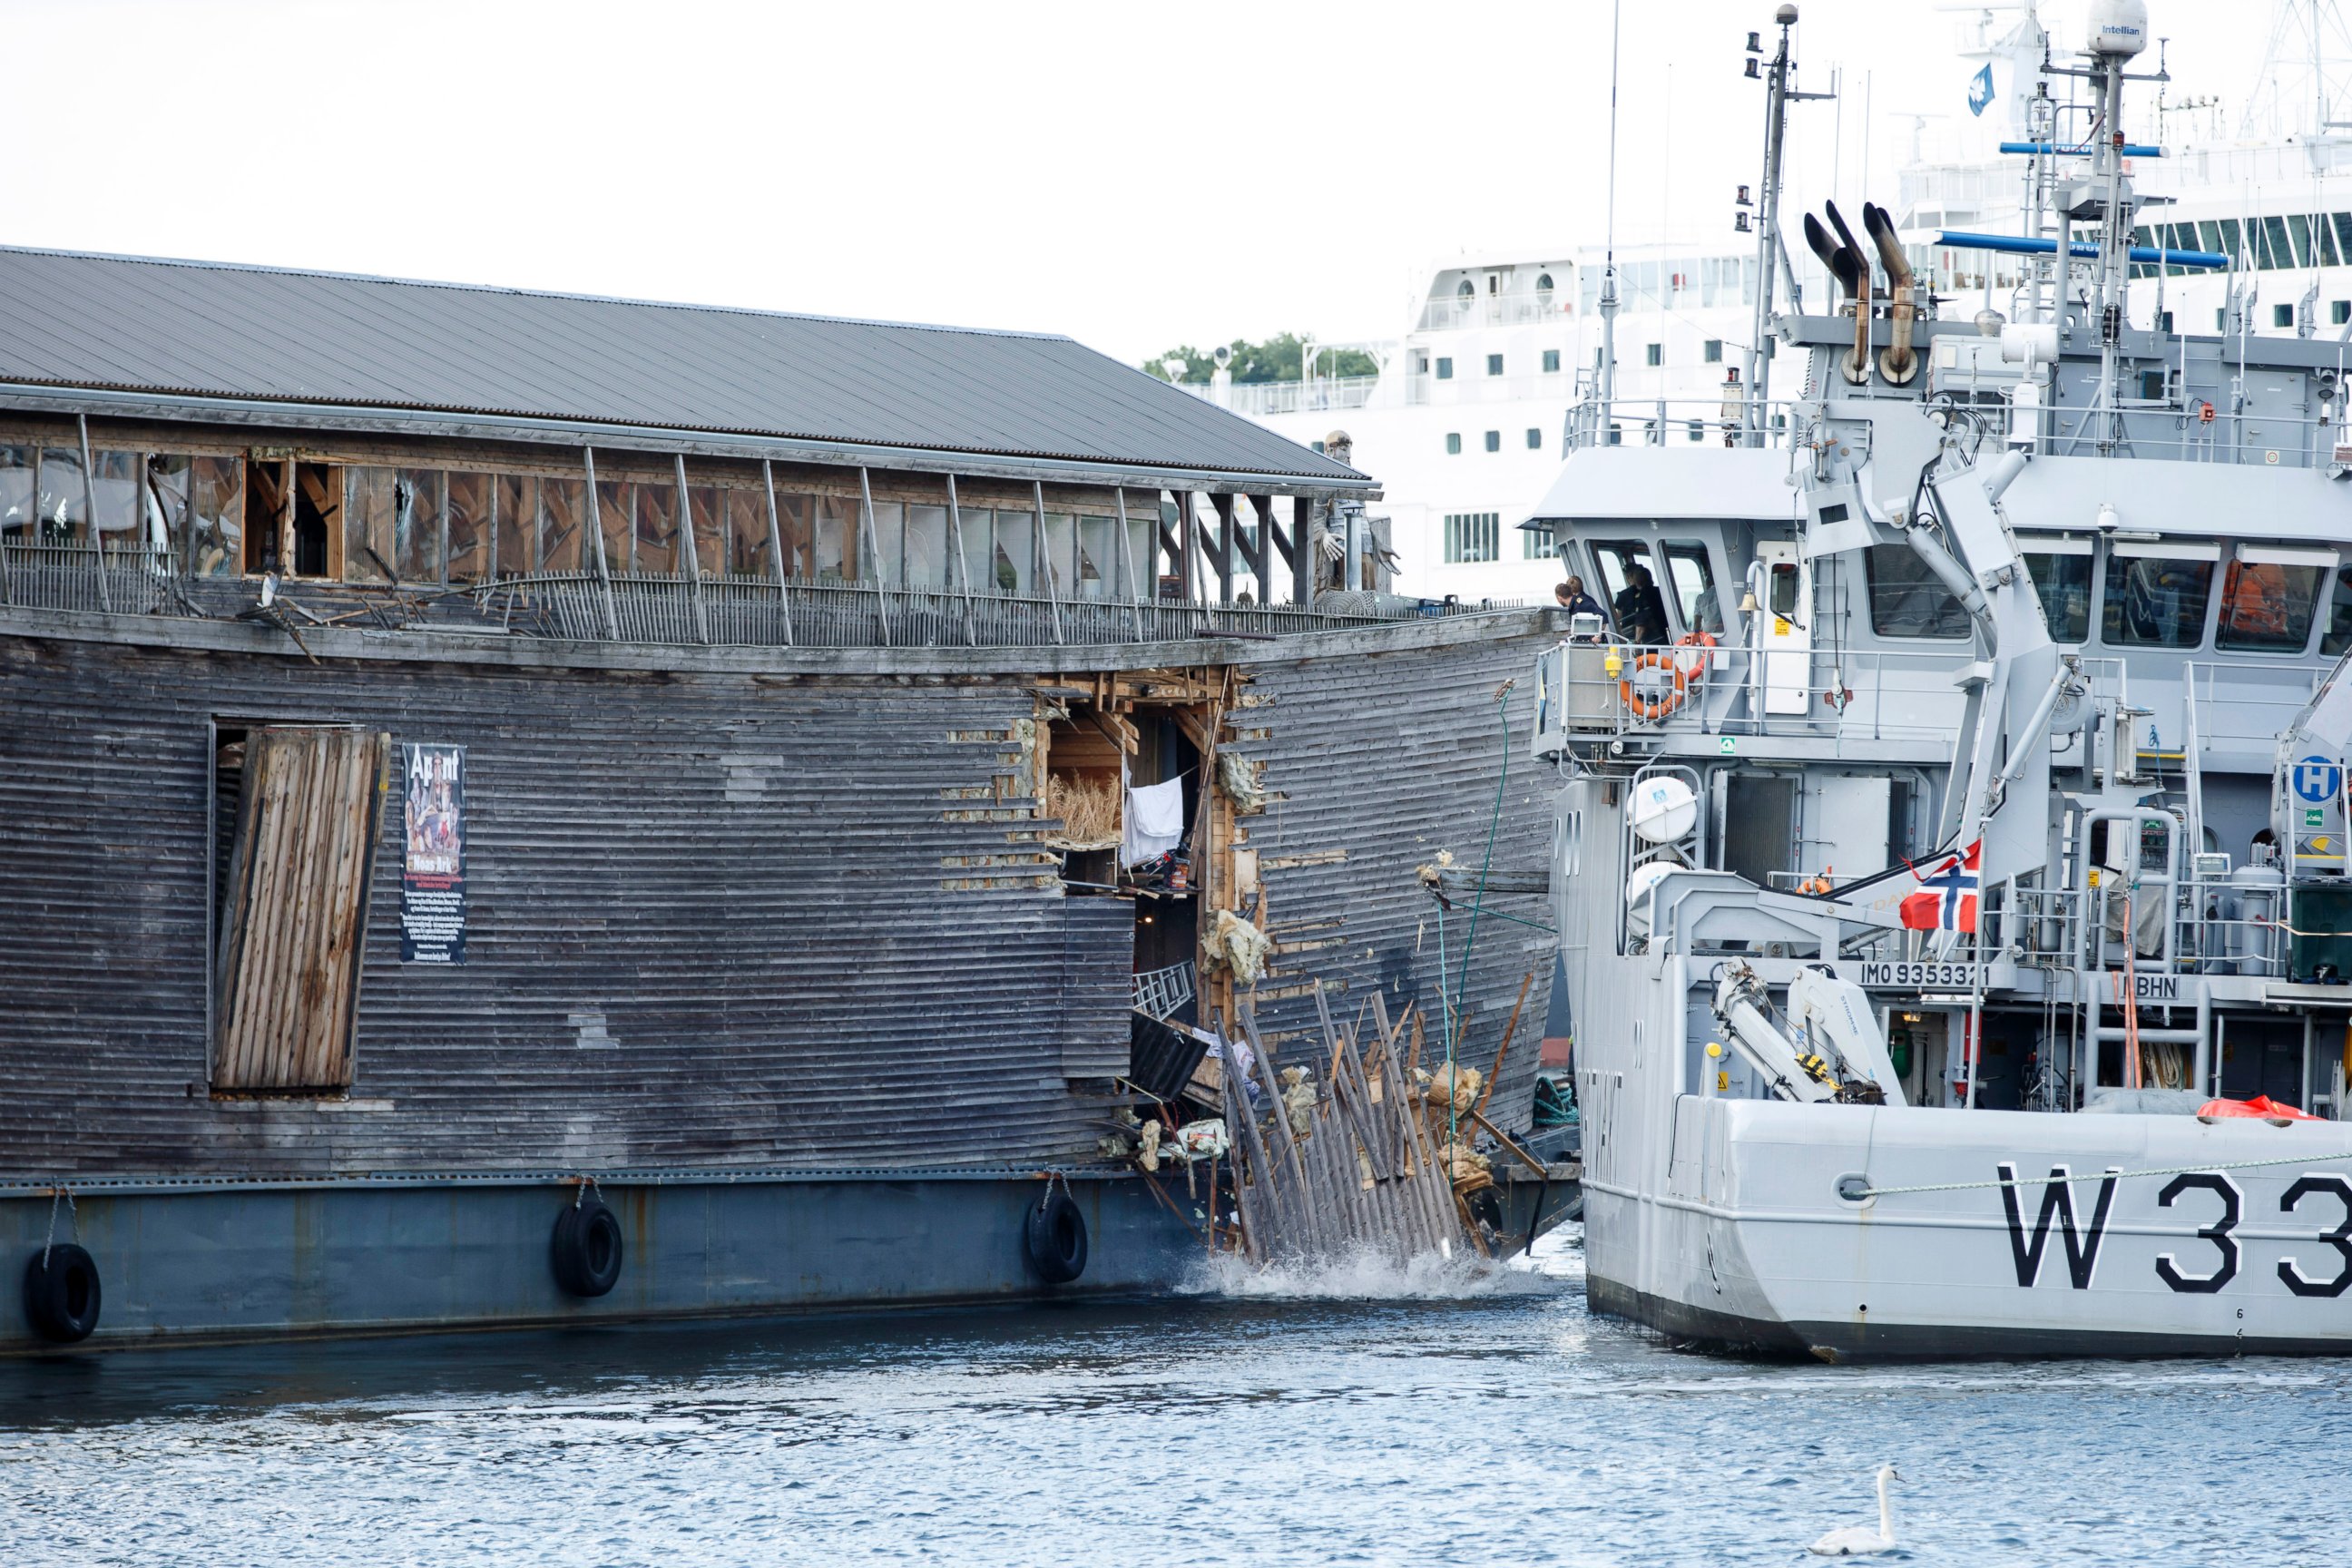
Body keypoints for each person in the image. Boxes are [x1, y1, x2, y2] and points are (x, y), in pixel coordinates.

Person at [1613, 564, 1670, 644]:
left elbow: (1640, 621)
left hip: (1648, 637)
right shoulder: (1660, 591)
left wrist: (1637, 642)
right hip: (1664, 634)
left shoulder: (1643, 595)